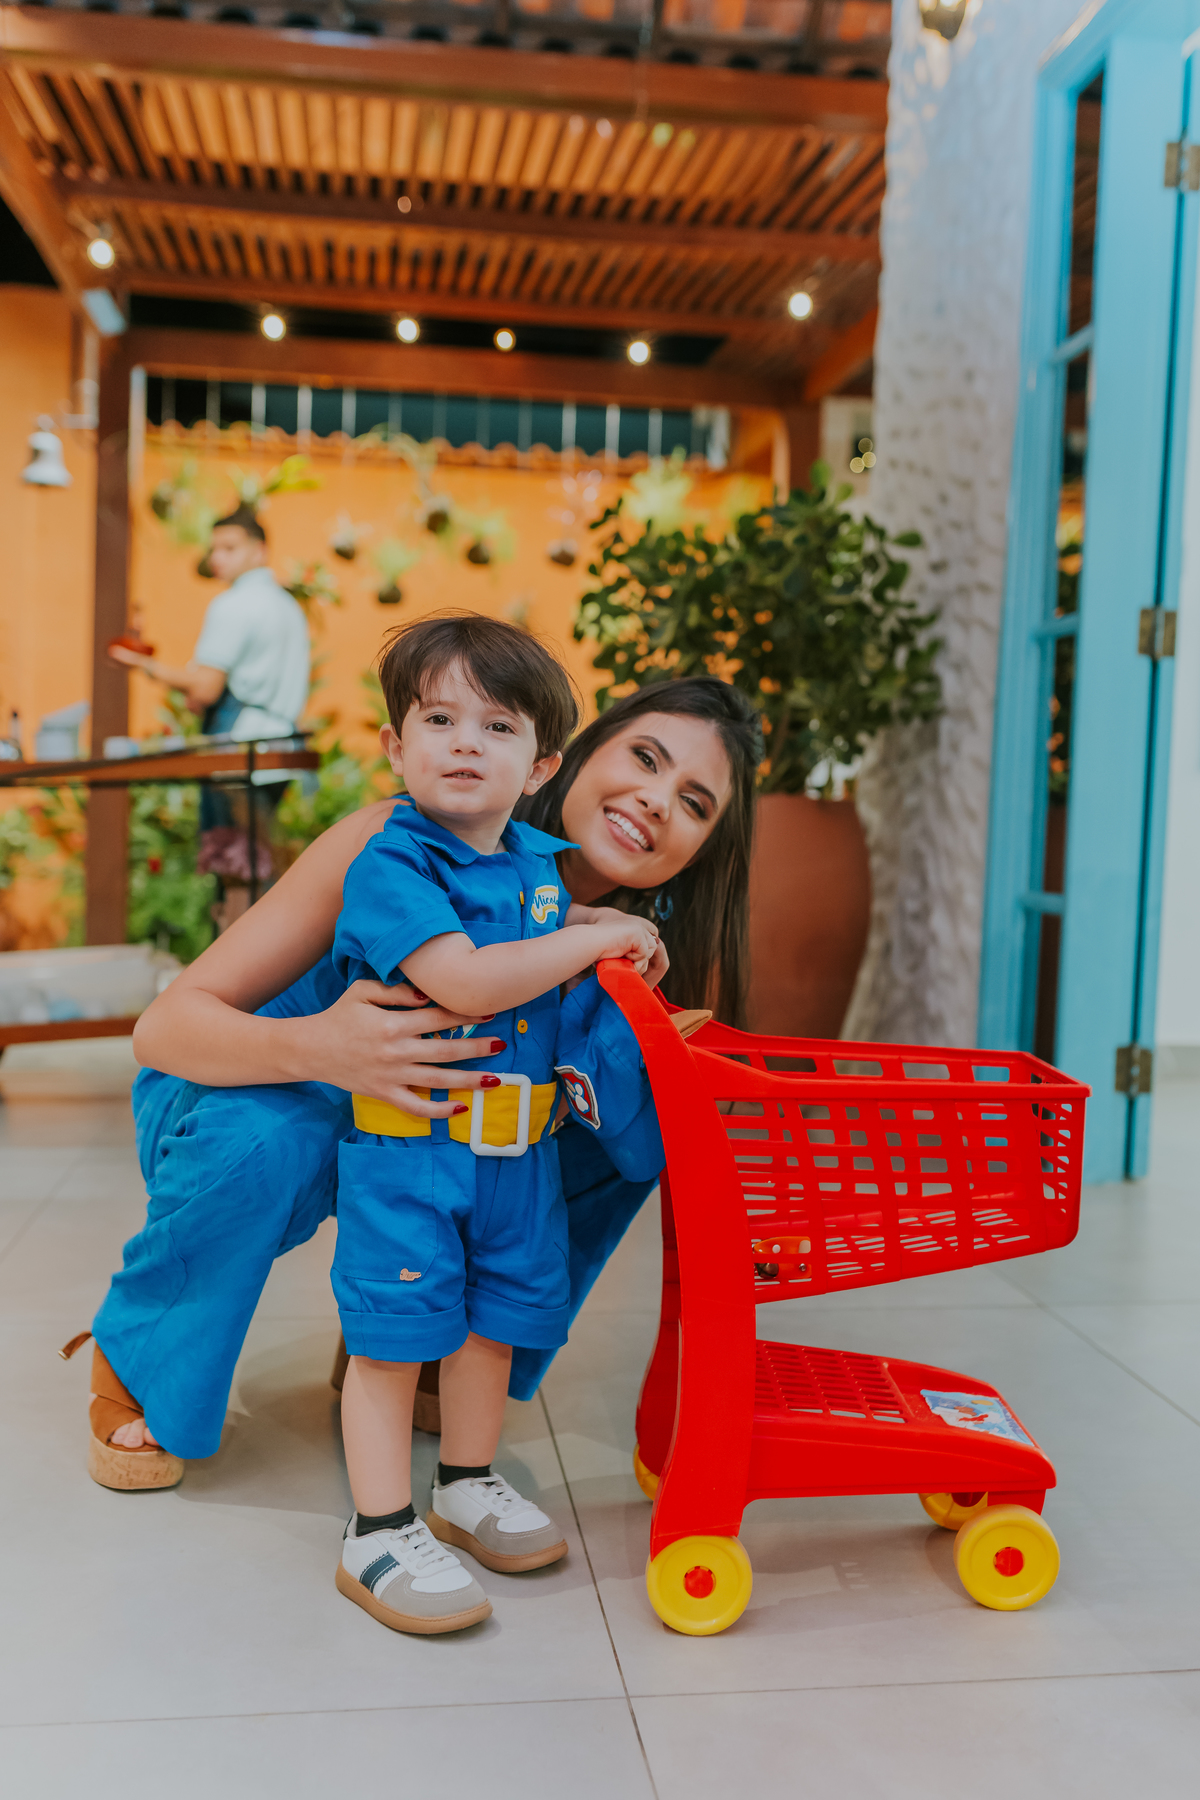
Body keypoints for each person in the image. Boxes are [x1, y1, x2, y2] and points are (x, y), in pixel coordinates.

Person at [67, 674, 762, 1498]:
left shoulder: (621, 947)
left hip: (426, 1132)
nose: (653, 800)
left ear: (703, 849)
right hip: (249, 1092)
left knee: (621, 1123)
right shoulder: (393, 843)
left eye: (693, 803)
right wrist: (324, 1046)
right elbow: (166, 1031)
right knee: (281, 1139)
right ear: (562, 760)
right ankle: (142, 1345)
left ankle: (438, 1330)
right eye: (644, 758)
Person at [328, 615, 663, 1635]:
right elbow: (467, 983)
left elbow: (551, 965)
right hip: (411, 1156)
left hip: (519, 1156)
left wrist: (601, 942)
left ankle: (464, 1482)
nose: (466, 741)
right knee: (392, 1341)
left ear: (540, 765)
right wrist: (594, 936)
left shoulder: (537, 867)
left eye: (499, 725)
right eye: (439, 718)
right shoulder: (393, 864)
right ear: (396, 747)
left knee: (489, 1330)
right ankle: (376, 1529)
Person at [110, 508, 310, 929]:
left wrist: (142, 665)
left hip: (238, 751)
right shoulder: (288, 606)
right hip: (278, 750)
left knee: (239, 871)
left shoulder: (234, 604)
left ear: (260, 551)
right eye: (214, 548)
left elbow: (205, 688)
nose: (217, 557)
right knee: (263, 861)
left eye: (229, 547)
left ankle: (239, 983)